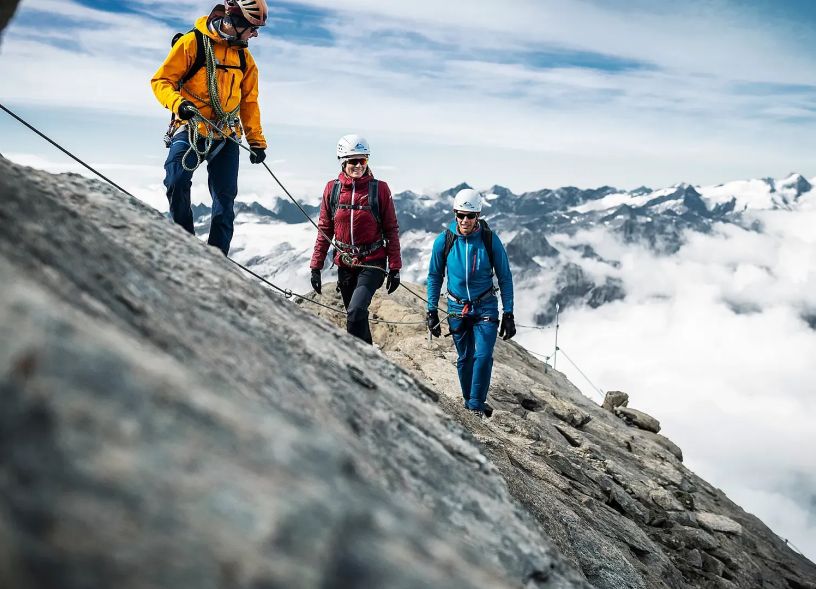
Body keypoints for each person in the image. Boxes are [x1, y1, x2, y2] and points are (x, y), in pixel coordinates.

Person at [150, 0, 269, 256]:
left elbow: (249, 102)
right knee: (176, 180)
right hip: (190, 127)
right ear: (236, 23)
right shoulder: (193, 43)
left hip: (226, 134)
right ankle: (185, 244)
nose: (256, 34)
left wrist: (257, 141)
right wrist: (178, 103)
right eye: (253, 27)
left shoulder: (245, 59)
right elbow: (161, 80)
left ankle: (218, 259)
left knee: (224, 203)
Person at [426, 188, 516, 418]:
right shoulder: (444, 241)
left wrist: (508, 313)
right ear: (455, 214)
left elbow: (505, 276)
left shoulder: (489, 240)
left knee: (483, 356)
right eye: (461, 215)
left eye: (470, 216)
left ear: (478, 216)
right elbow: (435, 276)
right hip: (456, 307)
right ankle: (469, 401)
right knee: (465, 358)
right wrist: (431, 310)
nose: (465, 220)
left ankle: (475, 405)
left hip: (485, 305)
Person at [309, 134, 402, 344]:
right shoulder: (332, 189)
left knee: (356, 310)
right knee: (356, 318)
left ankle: (359, 361)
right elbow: (325, 229)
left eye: (363, 160)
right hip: (345, 264)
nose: (358, 165)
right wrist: (316, 267)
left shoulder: (379, 189)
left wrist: (395, 267)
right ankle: (369, 361)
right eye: (353, 161)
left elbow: (391, 229)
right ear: (343, 162)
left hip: (373, 262)